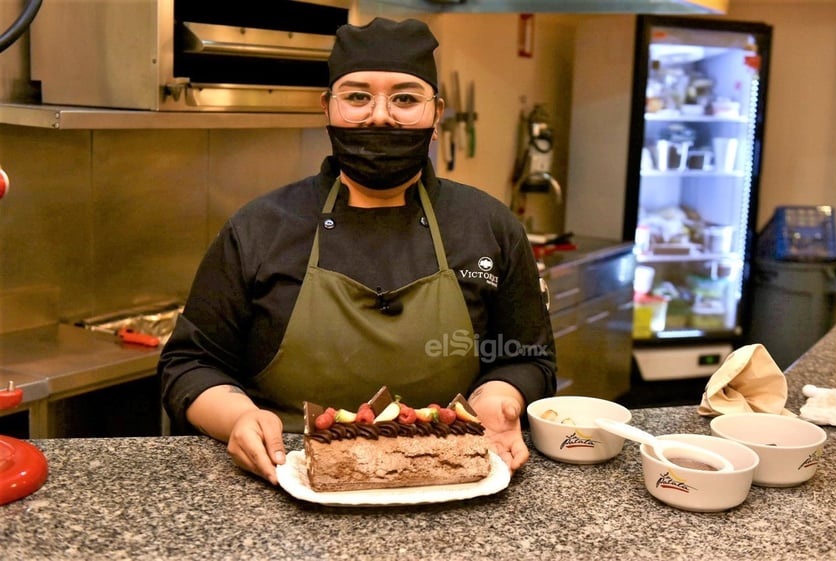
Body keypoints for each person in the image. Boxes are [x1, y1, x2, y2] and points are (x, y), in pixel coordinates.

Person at [159, 16, 557, 484]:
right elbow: (189, 363)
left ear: (437, 114)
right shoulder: (259, 228)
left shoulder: (487, 225)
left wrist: (500, 395)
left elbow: (528, 356)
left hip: (450, 477)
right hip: (285, 476)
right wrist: (237, 418)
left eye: (406, 98)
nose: (381, 115)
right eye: (357, 97)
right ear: (327, 108)